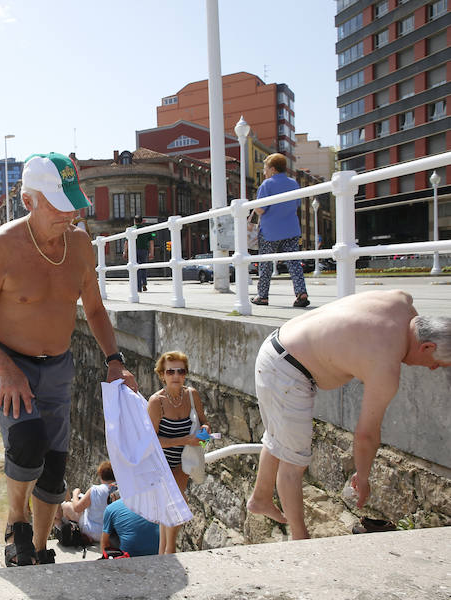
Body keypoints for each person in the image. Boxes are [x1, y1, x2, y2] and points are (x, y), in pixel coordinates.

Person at [0, 152, 136, 567]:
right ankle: (16, 525)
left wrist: (114, 359)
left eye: (73, 200)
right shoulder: (3, 246)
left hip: (57, 364)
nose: (70, 212)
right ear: (28, 201)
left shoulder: (78, 244)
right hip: (4, 360)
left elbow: (93, 309)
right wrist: (7, 371)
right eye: (58, 202)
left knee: (55, 464)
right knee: (27, 442)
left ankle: (37, 547)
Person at [247, 290, 451, 540]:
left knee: (280, 437)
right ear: (427, 346)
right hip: (288, 372)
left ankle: (260, 497)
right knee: (294, 461)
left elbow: (400, 296)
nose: (432, 368)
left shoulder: (402, 302)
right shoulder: (385, 366)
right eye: (437, 363)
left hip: (278, 347)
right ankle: (300, 541)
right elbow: (366, 434)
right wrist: (363, 477)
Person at [146, 351, 209, 554]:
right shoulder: (157, 402)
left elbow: (204, 421)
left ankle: (165, 552)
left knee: (174, 504)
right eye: (170, 371)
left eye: (180, 371)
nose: (175, 376)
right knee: (173, 505)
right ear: (162, 374)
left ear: (185, 374)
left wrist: (205, 433)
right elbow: (151, 442)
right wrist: (185, 440)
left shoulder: (192, 395)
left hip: (185, 459)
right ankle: (168, 552)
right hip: (161, 462)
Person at [251, 153, 309, 308]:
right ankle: (301, 293)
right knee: (294, 263)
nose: (264, 172)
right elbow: (296, 204)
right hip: (291, 230)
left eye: (266, 168)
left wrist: (254, 207)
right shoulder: (293, 183)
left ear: (273, 169)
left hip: (270, 232)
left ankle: (262, 296)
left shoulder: (267, 185)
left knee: (266, 264)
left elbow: (261, 209)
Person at [60, 460, 116, 543]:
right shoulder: (120, 491)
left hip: (92, 531)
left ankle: (70, 533)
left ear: (100, 475)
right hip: (111, 534)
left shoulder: (95, 490)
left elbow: (77, 508)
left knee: (67, 506)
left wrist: (75, 493)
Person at [123, 215, 153, 292]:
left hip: (134, 251)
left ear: (134, 221)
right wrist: (151, 252)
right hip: (144, 251)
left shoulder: (131, 229)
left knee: (137, 269)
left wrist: (125, 252)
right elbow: (151, 242)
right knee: (143, 267)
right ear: (142, 221)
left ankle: (138, 287)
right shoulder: (146, 229)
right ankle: (144, 284)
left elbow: (126, 242)